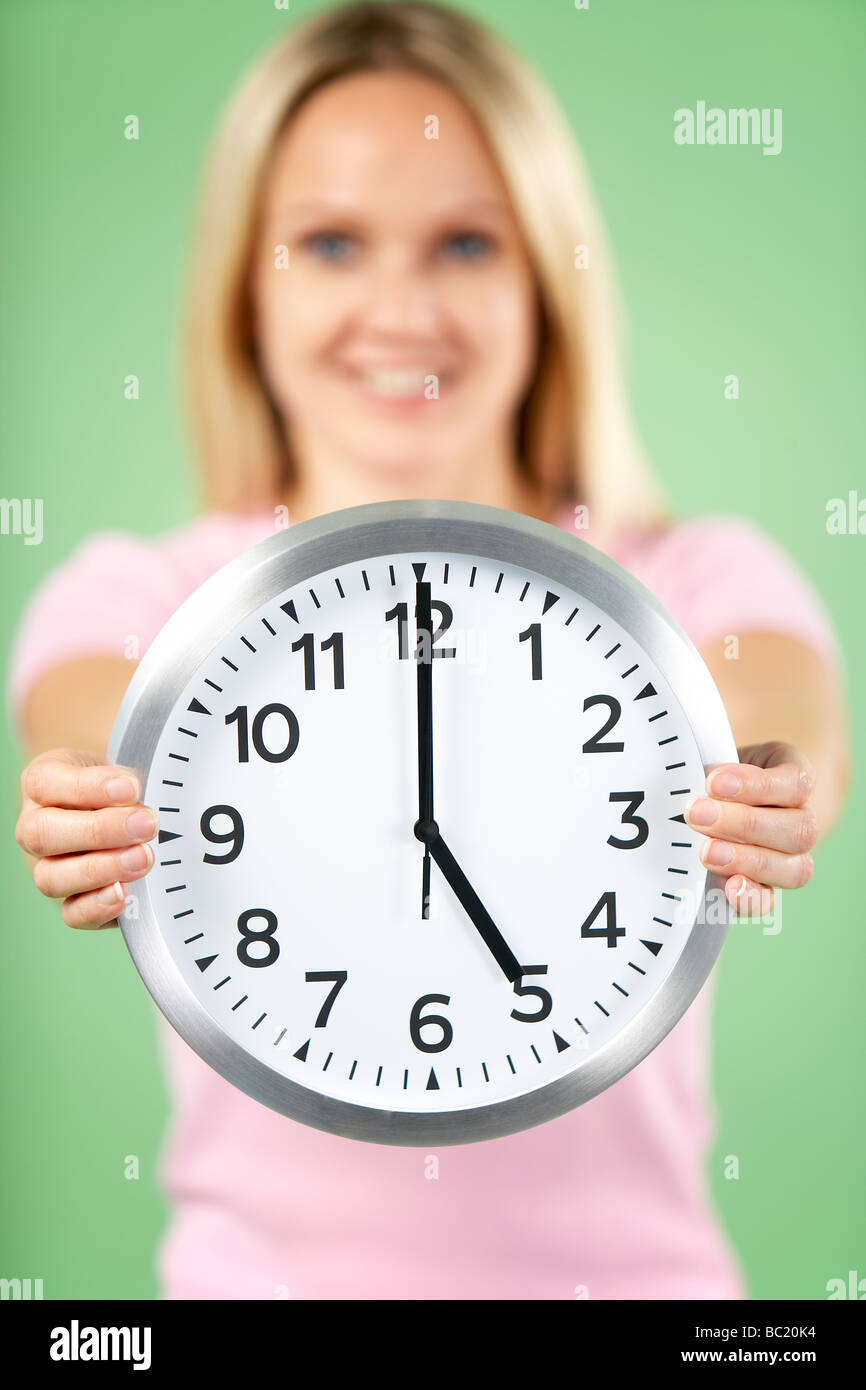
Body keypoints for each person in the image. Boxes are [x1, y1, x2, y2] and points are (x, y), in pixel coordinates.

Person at [8, 1, 849, 1299]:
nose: (399, 307)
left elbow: (769, 705)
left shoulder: (694, 574)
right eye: (330, 242)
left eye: (465, 242)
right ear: (244, 278)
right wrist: (90, 789)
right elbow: (95, 714)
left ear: (543, 280)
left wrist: (772, 782)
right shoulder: (139, 592)